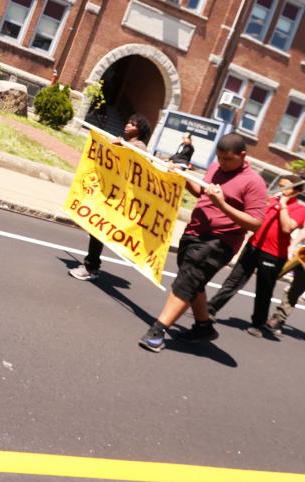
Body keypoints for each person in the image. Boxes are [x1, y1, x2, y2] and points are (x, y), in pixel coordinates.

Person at [138, 132, 268, 352]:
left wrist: (223, 205)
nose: (223, 164)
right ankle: (204, 326)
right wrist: (184, 175)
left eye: (228, 159)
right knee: (193, 280)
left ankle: (157, 331)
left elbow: (255, 223)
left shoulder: (254, 183)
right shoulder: (215, 167)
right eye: (219, 158)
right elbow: (201, 192)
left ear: (243, 155)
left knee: (188, 279)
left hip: (220, 241)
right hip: (194, 233)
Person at [206, 175, 305, 336]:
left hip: (273, 255)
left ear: (296, 191)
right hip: (253, 246)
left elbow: (287, 228)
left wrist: (283, 205)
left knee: (264, 290)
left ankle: (258, 324)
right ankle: (210, 309)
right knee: (234, 280)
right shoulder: (271, 201)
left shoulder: (300, 209)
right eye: (280, 185)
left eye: (285, 186)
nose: (281, 189)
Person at [69, 113, 151, 281]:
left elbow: (135, 166)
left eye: (133, 124)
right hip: (112, 193)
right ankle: (92, 265)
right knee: (96, 227)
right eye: (128, 122)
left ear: (140, 130)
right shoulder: (128, 143)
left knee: (98, 230)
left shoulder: (139, 147)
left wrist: (120, 147)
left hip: (120, 197)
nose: (128, 125)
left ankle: (91, 267)